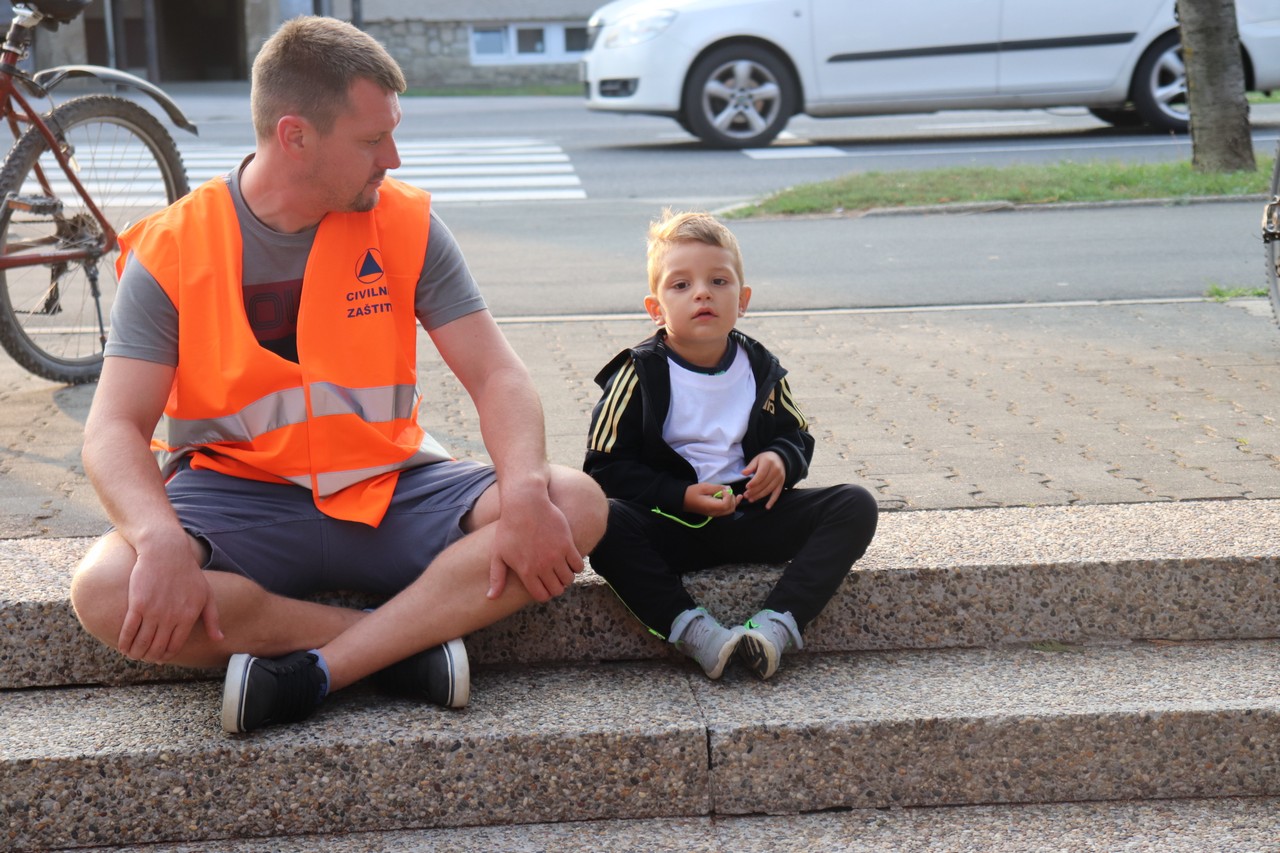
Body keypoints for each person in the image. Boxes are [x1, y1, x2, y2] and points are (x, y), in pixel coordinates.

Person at [68, 16, 606, 734]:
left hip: (388, 486)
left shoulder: (403, 224)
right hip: (238, 495)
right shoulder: (174, 248)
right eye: (370, 139)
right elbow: (112, 428)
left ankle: (329, 665)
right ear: (295, 136)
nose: (394, 157)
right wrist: (159, 538)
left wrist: (529, 487)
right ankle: (401, 644)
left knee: (576, 501)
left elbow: (498, 375)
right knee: (103, 589)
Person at [584, 210, 877, 680]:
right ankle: (698, 633)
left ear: (741, 300)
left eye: (718, 281)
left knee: (855, 505)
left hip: (753, 516)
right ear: (655, 308)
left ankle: (776, 627)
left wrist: (780, 460)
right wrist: (679, 495)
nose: (702, 292)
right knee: (603, 522)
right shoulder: (638, 373)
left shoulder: (759, 365)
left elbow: (796, 434)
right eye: (680, 285)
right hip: (673, 526)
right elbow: (602, 470)